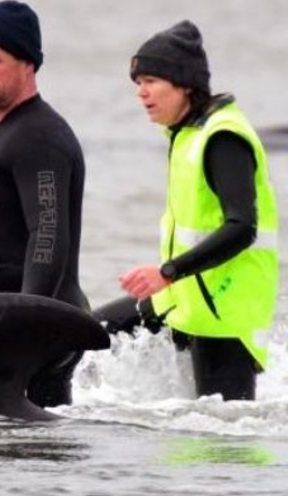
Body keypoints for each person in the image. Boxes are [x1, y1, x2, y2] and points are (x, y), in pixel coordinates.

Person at [103, 20, 278, 401]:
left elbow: (242, 226)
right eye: (137, 83)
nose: (141, 93)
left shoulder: (223, 137)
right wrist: (170, 279)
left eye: (150, 81)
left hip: (224, 313)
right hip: (184, 298)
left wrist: (168, 272)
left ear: (184, 83)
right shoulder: (187, 134)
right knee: (85, 334)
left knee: (221, 444)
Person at [0, 1, 89, 407]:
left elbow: (47, 235)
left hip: (39, 334)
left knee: (34, 460)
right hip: (11, 326)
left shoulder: (39, 139)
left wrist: (25, 327)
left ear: (27, 63)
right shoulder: (9, 131)